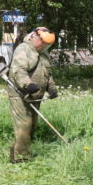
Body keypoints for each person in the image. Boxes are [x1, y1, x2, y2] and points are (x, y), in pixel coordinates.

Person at [7, 26, 58, 163]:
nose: (44, 46)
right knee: (24, 124)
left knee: (32, 126)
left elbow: (48, 73)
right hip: (20, 93)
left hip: (36, 95)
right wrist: (28, 85)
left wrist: (51, 88)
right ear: (34, 38)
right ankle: (20, 158)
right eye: (43, 43)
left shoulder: (43, 52)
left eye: (47, 45)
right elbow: (19, 70)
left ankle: (19, 151)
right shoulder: (23, 49)